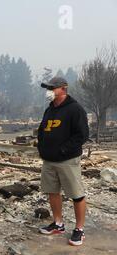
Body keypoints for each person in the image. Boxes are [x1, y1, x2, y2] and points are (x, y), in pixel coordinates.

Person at [37, 77, 89, 246]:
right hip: (49, 160)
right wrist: (42, 148)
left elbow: (82, 135)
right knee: (52, 191)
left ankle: (79, 230)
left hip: (67, 160)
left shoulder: (75, 109)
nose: (49, 91)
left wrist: (64, 149)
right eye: (48, 88)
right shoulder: (49, 110)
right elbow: (42, 131)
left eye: (52, 88)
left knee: (76, 194)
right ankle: (58, 223)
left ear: (63, 89)